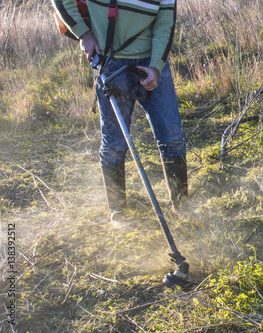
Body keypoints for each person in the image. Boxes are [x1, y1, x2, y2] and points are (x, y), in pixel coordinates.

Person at [52, 0, 188, 227]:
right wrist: (83, 34)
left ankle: (182, 207)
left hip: (151, 61)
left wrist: (155, 67)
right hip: (110, 61)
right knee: (115, 143)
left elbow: (165, 23)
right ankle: (119, 214)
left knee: (172, 138)